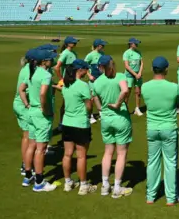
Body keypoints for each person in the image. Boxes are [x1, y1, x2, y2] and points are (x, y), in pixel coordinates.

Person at [141, 57, 179, 206]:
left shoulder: (145, 87)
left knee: (153, 162)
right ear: (166, 69)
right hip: (169, 128)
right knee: (170, 163)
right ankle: (170, 198)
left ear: (153, 69)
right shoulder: (173, 87)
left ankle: (150, 196)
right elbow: (178, 102)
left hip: (152, 128)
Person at [92, 55, 133, 198]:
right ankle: (117, 187)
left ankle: (104, 185)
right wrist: (117, 104)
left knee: (108, 152)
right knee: (121, 153)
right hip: (120, 119)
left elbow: (94, 96)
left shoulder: (98, 82)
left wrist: (100, 110)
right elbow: (125, 90)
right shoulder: (120, 76)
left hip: (106, 120)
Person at [61, 59, 97, 195]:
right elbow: (88, 106)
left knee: (67, 154)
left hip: (67, 122)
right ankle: (83, 186)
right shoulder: (83, 85)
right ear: (79, 70)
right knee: (81, 156)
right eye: (85, 70)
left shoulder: (66, 84)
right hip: (80, 123)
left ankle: (68, 182)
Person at [26, 49, 59, 192]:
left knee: (31, 145)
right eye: (50, 59)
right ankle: (39, 182)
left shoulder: (32, 72)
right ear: (44, 61)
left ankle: (28, 176)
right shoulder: (45, 75)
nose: (52, 61)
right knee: (41, 149)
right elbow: (43, 94)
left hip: (31, 112)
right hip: (41, 115)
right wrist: (46, 110)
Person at [14, 49, 36, 177]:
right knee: (27, 136)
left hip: (22, 104)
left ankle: (27, 163)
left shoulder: (28, 68)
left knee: (28, 136)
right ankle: (25, 165)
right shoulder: (29, 70)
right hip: (23, 105)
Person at [55, 36, 79, 130]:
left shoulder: (73, 53)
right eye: (73, 42)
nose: (75, 44)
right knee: (66, 102)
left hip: (74, 80)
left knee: (72, 100)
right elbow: (57, 67)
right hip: (67, 81)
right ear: (67, 43)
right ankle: (62, 123)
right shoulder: (65, 53)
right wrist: (61, 79)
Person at [84, 38, 108, 124]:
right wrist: (89, 75)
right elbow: (84, 66)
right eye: (102, 45)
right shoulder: (90, 55)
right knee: (93, 97)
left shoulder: (102, 54)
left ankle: (101, 113)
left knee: (101, 96)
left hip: (101, 79)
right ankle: (90, 116)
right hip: (93, 79)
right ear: (98, 46)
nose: (104, 46)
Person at [123, 37, 144, 117]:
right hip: (129, 75)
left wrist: (139, 73)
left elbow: (142, 63)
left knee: (138, 92)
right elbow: (126, 66)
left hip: (138, 74)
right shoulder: (127, 53)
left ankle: (137, 108)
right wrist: (135, 75)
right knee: (127, 92)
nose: (137, 45)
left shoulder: (138, 52)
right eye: (135, 43)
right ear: (131, 44)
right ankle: (125, 108)